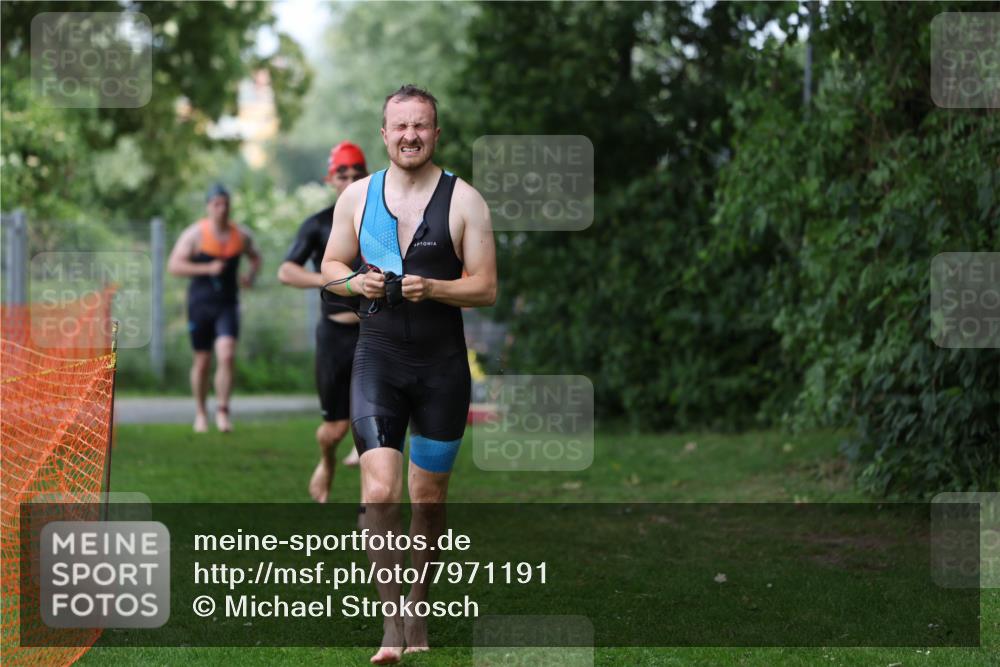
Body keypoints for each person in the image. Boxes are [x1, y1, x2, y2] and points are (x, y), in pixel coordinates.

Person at [321, 85, 497, 664]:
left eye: (421, 126)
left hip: (442, 368)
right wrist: (355, 283)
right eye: (400, 127)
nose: (410, 136)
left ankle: (418, 601)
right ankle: (392, 620)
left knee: (428, 499)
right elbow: (330, 267)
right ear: (384, 133)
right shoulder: (358, 196)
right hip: (377, 359)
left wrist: (436, 287)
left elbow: (486, 287)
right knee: (378, 492)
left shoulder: (465, 200)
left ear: (436, 133)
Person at [278, 142, 368, 503]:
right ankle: (327, 461)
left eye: (356, 174)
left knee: (372, 422)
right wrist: (332, 279)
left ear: (366, 176)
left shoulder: (379, 219)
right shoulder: (317, 224)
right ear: (331, 179)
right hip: (333, 333)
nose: (349, 180)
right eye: (342, 175)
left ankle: (370, 508)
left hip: (372, 331)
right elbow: (286, 271)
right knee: (334, 429)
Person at [167, 184, 261, 433]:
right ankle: (200, 413)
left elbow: (255, 256)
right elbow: (174, 266)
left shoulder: (240, 235)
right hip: (200, 304)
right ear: (208, 206)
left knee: (227, 354)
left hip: (227, 304)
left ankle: (222, 411)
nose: (222, 208)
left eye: (225, 203)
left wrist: (250, 276)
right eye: (217, 204)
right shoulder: (195, 235)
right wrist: (206, 269)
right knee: (202, 361)